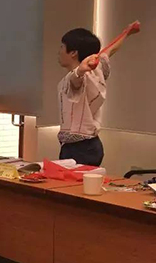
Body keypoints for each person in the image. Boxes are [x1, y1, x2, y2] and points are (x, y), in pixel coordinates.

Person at [56, 25, 137, 165]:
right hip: (87, 146)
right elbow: (110, 50)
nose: (59, 51)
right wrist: (127, 32)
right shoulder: (96, 70)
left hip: (80, 149)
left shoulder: (80, 76)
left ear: (73, 53)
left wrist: (80, 71)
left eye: (62, 47)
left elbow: (76, 80)